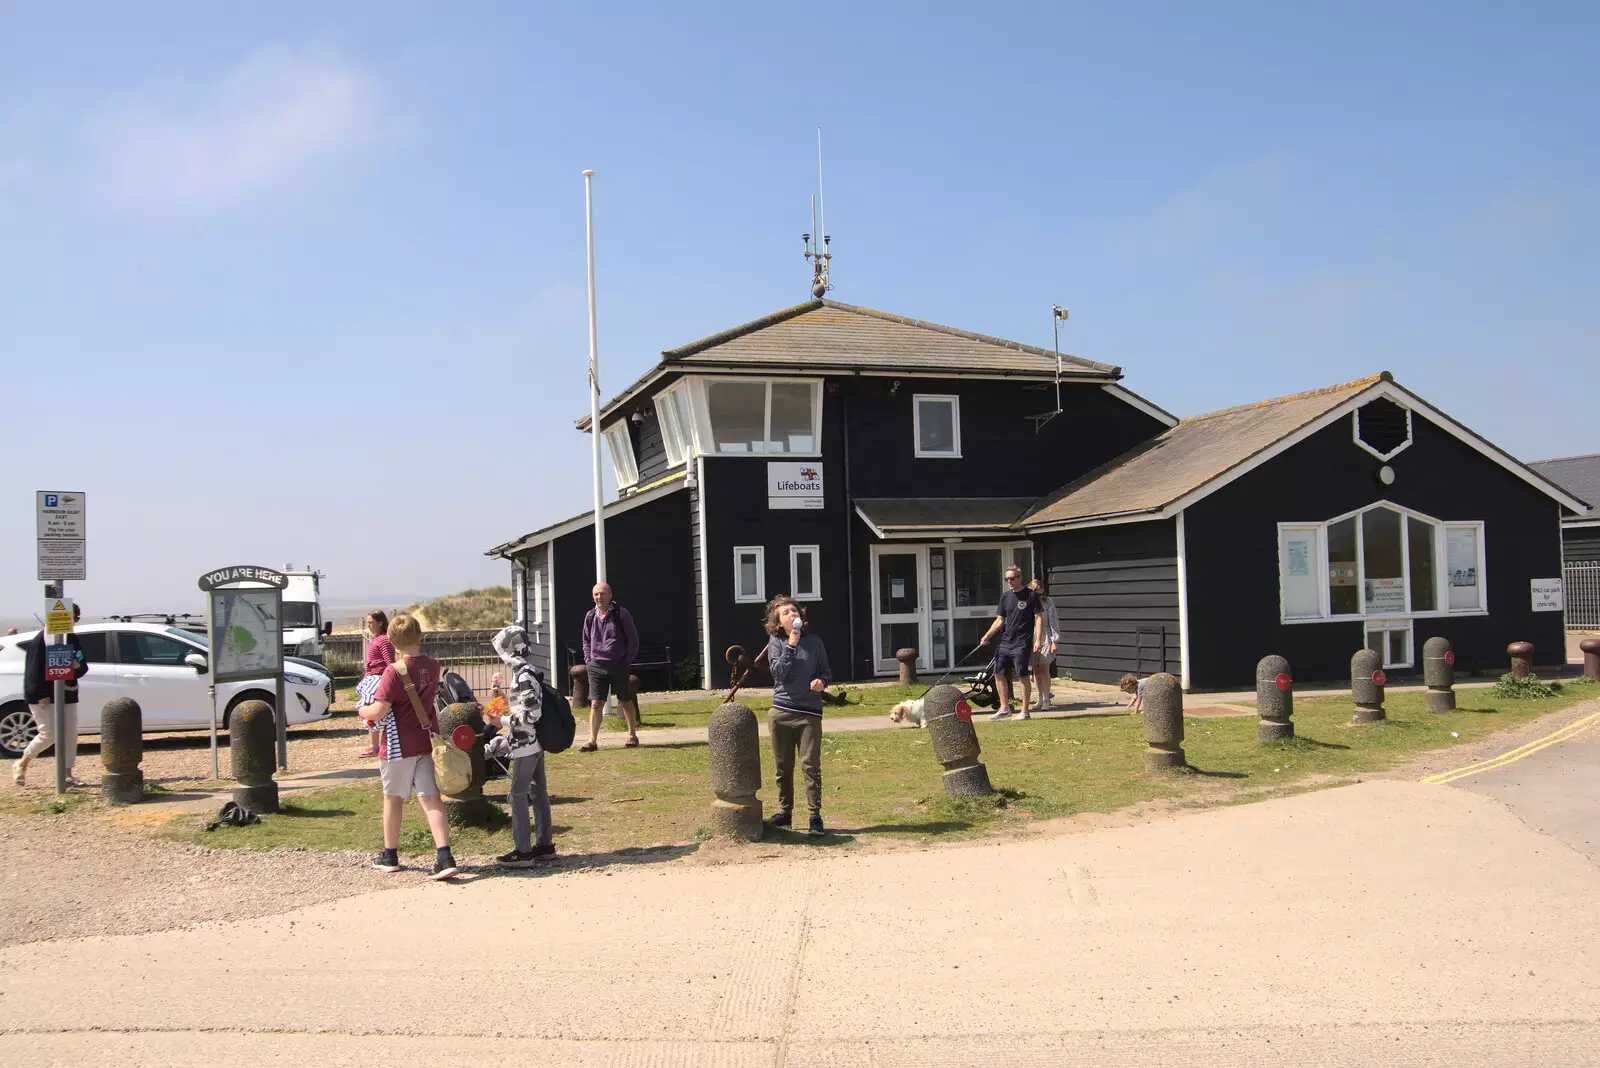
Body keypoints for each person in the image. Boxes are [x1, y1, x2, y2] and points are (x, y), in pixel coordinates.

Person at [359, 613, 458, 880]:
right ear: (420, 635)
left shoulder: (394, 671)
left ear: (391, 640)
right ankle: (444, 855)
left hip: (397, 744)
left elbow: (379, 711)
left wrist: (361, 710)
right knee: (431, 798)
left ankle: (390, 854)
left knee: (393, 798)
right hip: (426, 741)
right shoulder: (433, 665)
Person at [486, 626, 557, 867]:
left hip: (525, 745)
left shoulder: (523, 675)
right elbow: (527, 707)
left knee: (517, 795)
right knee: (539, 794)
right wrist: (505, 702)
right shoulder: (529, 671)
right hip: (535, 744)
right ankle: (545, 845)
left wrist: (501, 721)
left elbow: (531, 714)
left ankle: (523, 851)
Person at [763, 595, 832, 837]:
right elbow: (779, 673)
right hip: (781, 712)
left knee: (810, 766)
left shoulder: (814, 641)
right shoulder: (776, 642)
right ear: (779, 622)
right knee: (783, 767)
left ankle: (815, 816)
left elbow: (826, 671)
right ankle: (785, 812)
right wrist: (791, 645)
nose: (792, 615)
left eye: (795, 611)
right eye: (786, 613)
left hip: (809, 714)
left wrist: (822, 682)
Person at [13, 605, 89, 787]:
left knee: (70, 734)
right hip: (45, 697)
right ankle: (22, 763)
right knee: (49, 734)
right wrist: (40, 694)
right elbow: (32, 672)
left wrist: (76, 667)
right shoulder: (41, 640)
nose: (73, 622)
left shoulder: (70, 638)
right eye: (72, 618)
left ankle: (67, 774)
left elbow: (82, 665)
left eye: (75, 619)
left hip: (68, 693)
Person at [578, 582, 640, 752]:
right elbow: (585, 640)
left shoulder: (621, 613)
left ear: (610, 595)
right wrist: (589, 659)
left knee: (625, 700)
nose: (599, 597)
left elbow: (633, 639)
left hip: (618, 664)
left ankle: (631, 735)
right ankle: (592, 740)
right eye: (596, 594)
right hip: (596, 665)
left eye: (602, 594)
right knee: (596, 703)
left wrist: (626, 660)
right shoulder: (590, 616)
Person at [979, 567, 1043, 720]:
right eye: (1007, 579)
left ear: (1020, 578)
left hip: (1022, 643)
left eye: (1013, 578)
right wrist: (987, 635)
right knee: (998, 673)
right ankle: (1004, 708)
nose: (1010, 582)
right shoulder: (1005, 597)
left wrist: (1038, 639)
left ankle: (1025, 711)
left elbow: (1038, 618)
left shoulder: (1031, 595)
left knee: (1022, 676)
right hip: (1005, 642)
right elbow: (1000, 620)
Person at [355, 610, 396, 758]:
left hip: (378, 678)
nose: (369, 626)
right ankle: (374, 745)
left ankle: (375, 745)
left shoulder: (384, 640)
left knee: (372, 711)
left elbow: (389, 662)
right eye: (368, 623)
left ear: (380, 623)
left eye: (371, 623)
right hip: (372, 677)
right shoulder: (377, 639)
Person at [1028, 579, 1061, 711]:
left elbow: (1053, 621)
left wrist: (1054, 640)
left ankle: (1047, 698)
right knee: (1036, 670)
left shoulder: (1048, 602)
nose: (1040, 596)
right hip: (1032, 638)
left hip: (1046, 637)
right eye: (1037, 594)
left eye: (1042, 593)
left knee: (1044, 668)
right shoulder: (1029, 602)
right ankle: (1039, 698)